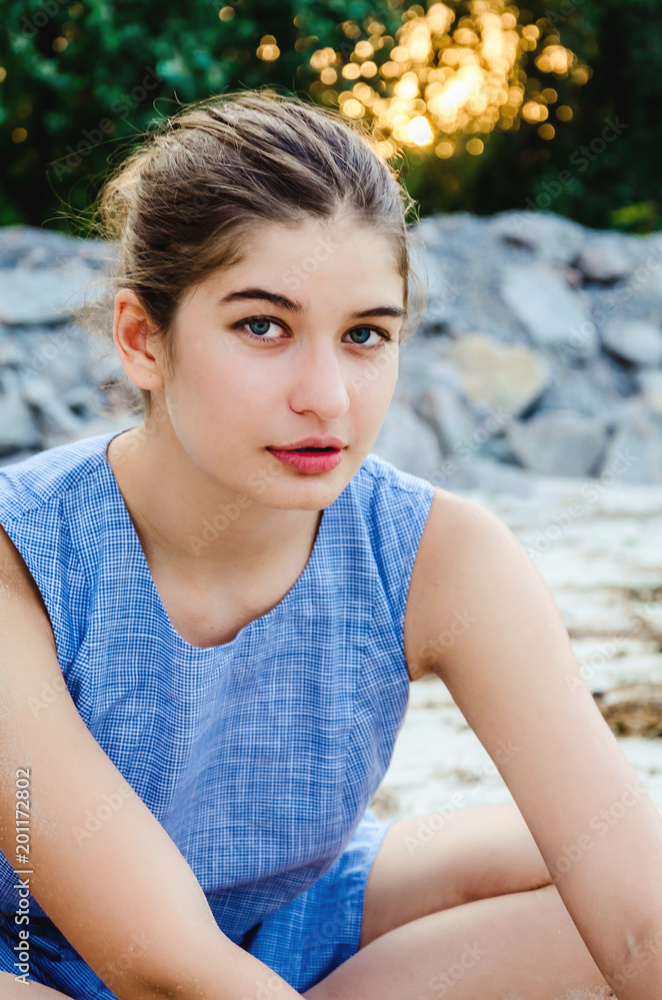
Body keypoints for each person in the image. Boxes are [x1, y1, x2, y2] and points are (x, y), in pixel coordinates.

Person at [0, 88, 659, 1000]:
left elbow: (635, 909)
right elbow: (158, 962)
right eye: (263, 326)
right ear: (143, 337)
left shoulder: (438, 554)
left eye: (363, 336)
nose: (328, 397)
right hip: (37, 957)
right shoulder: (22, 555)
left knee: (612, 873)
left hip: (285, 932)